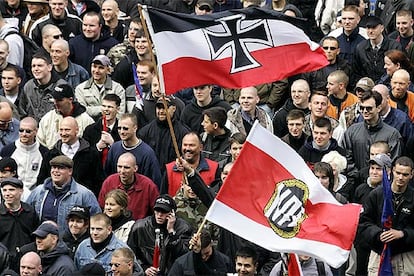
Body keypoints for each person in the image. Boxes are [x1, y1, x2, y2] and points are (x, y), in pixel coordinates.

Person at [358, 156, 414, 275]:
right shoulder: (376, 195)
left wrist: (403, 234)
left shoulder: (412, 197)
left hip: (405, 255)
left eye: (405, 174)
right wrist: (378, 234)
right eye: (398, 173)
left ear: (411, 174)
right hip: (379, 253)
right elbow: (363, 224)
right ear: (392, 170)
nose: (400, 177)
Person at [26, 155, 101, 234]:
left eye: (60, 168)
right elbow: (26, 216)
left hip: (70, 244)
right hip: (42, 242)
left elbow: (97, 220)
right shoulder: (38, 191)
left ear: (70, 171)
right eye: (53, 167)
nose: (55, 171)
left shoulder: (84, 194)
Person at [127, 194, 193, 276]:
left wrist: (172, 233)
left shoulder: (183, 228)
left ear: (172, 213)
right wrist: (143, 268)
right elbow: (129, 253)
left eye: (164, 211)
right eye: (157, 210)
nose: (159, 215)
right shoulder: (139, 227)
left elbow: (185, 256)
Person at [38, 116, 104, 196]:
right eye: (61, 130)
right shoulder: (50, 155)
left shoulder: (91, 154)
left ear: (77, 130)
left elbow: (98, 182)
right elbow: (42, 181)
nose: (63, 133)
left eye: (67, 130)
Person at [341, 90, 402, 170]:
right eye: (362, 108)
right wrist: (357, 176)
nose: (365, 111)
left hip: (382, 180)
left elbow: (394, 162)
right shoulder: (351, 131)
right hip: (356, 180)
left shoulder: (392, 134)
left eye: (369, 108)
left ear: (379, 108)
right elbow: (346, 158)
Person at [353, 153, 392, 275]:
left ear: (389, 171)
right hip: (362, 244)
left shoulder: (391, 192)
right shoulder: (361, 189)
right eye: (372, 168)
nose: (374, 172)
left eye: (379, 169)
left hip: (382, 245)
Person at [105, 113, 162, 188]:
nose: (121, 132)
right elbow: (107, 175)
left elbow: (155, 183)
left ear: (135, 128)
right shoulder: (114, 148)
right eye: (119, 128)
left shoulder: (147, 153)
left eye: (125, 128)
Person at [74, 213, 143, 274]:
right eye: (92, 229)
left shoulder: (122, 249)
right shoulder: (83, 247)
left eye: (99, 229)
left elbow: (138, 273)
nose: (94, 233)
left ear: (109, 230)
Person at [99, 152, 159, 221]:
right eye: (119, 167)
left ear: (135, 168)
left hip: (139, 228)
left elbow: (156, 212)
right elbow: (101, 207)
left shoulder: (148, 186)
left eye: (126, 167)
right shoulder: (109, 182)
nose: (122, 171)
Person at [138, 96, 190, 175]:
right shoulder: (145, 132)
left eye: (165, 107)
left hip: (174, 175)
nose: (161, 111)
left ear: (174, 108)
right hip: (151, 176)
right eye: (159, 108)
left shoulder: (183, 133)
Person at [0, 117, 48, 200]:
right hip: (12, 195)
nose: (24, 134)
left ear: (36, 131)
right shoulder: (7, 150)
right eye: (21, 130)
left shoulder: (45, 153)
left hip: (36, 196)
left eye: (28, 131)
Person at [37, 83, 94, 149]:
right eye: (54, 99)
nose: (55, 103)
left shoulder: (86, 120)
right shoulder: (47, 118)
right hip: (52, 157)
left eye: (59, 100)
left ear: (70, 100)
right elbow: (40, 142)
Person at [162, 132, 219, 196]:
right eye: (185, 145)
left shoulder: (214, 168)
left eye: (192, 145)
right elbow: (163, 197)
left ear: (201, 147)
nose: (187, 148)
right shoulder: (170, 169)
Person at [0, 177, 39, 269]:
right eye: (4, 190)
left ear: (21, 191)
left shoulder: (30, 212)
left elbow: (35, 236)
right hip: (3, 262)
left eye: (11, 190)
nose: (7, 194)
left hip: (26, 262)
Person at [353, 15, 403, 83]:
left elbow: (401, 69)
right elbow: (357, 72)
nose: (370, 31)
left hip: (390, 85)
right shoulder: (360, 48)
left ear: (382, 28)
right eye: (368, 28)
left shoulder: (394, 46)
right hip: (367, 87)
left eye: (374, 28)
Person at [18, 51, 66, 122]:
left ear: (49, 67)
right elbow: (22, 112)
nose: (36, 69)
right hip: (32, 130)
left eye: (40, 66)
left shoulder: (62, 86)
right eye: (33, 66)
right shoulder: (28, 86)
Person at [75, 54, 126, 120]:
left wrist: (91, 109)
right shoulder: (80, 89)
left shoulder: (118, 89)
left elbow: (120, 114)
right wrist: (104, 109)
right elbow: (81, 112)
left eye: (101, 68)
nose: (96, 71)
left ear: (108, 70)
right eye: (94, 66)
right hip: (89, 127)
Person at [82, 94, 121, 162]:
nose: (106, 109)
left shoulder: (123, 130)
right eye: (104, 106)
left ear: (117, 109)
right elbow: (84, 156)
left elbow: (127, 155)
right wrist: (98, 147)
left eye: (110, 107)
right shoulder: (90, 130)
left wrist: (113, 144)